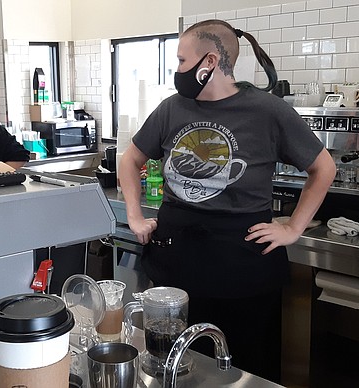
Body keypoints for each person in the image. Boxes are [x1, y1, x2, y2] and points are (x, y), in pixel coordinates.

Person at [118, 20, 335, 383]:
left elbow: (323, 168)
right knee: (174, 362)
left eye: (182, 60)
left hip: (242, 261)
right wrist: (135, 217)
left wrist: (293, 228)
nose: (177, 71)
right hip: (177, 257)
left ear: (210, 62)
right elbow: (130, 160)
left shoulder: (268, 111)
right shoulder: (172, 109)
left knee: (242, 366)